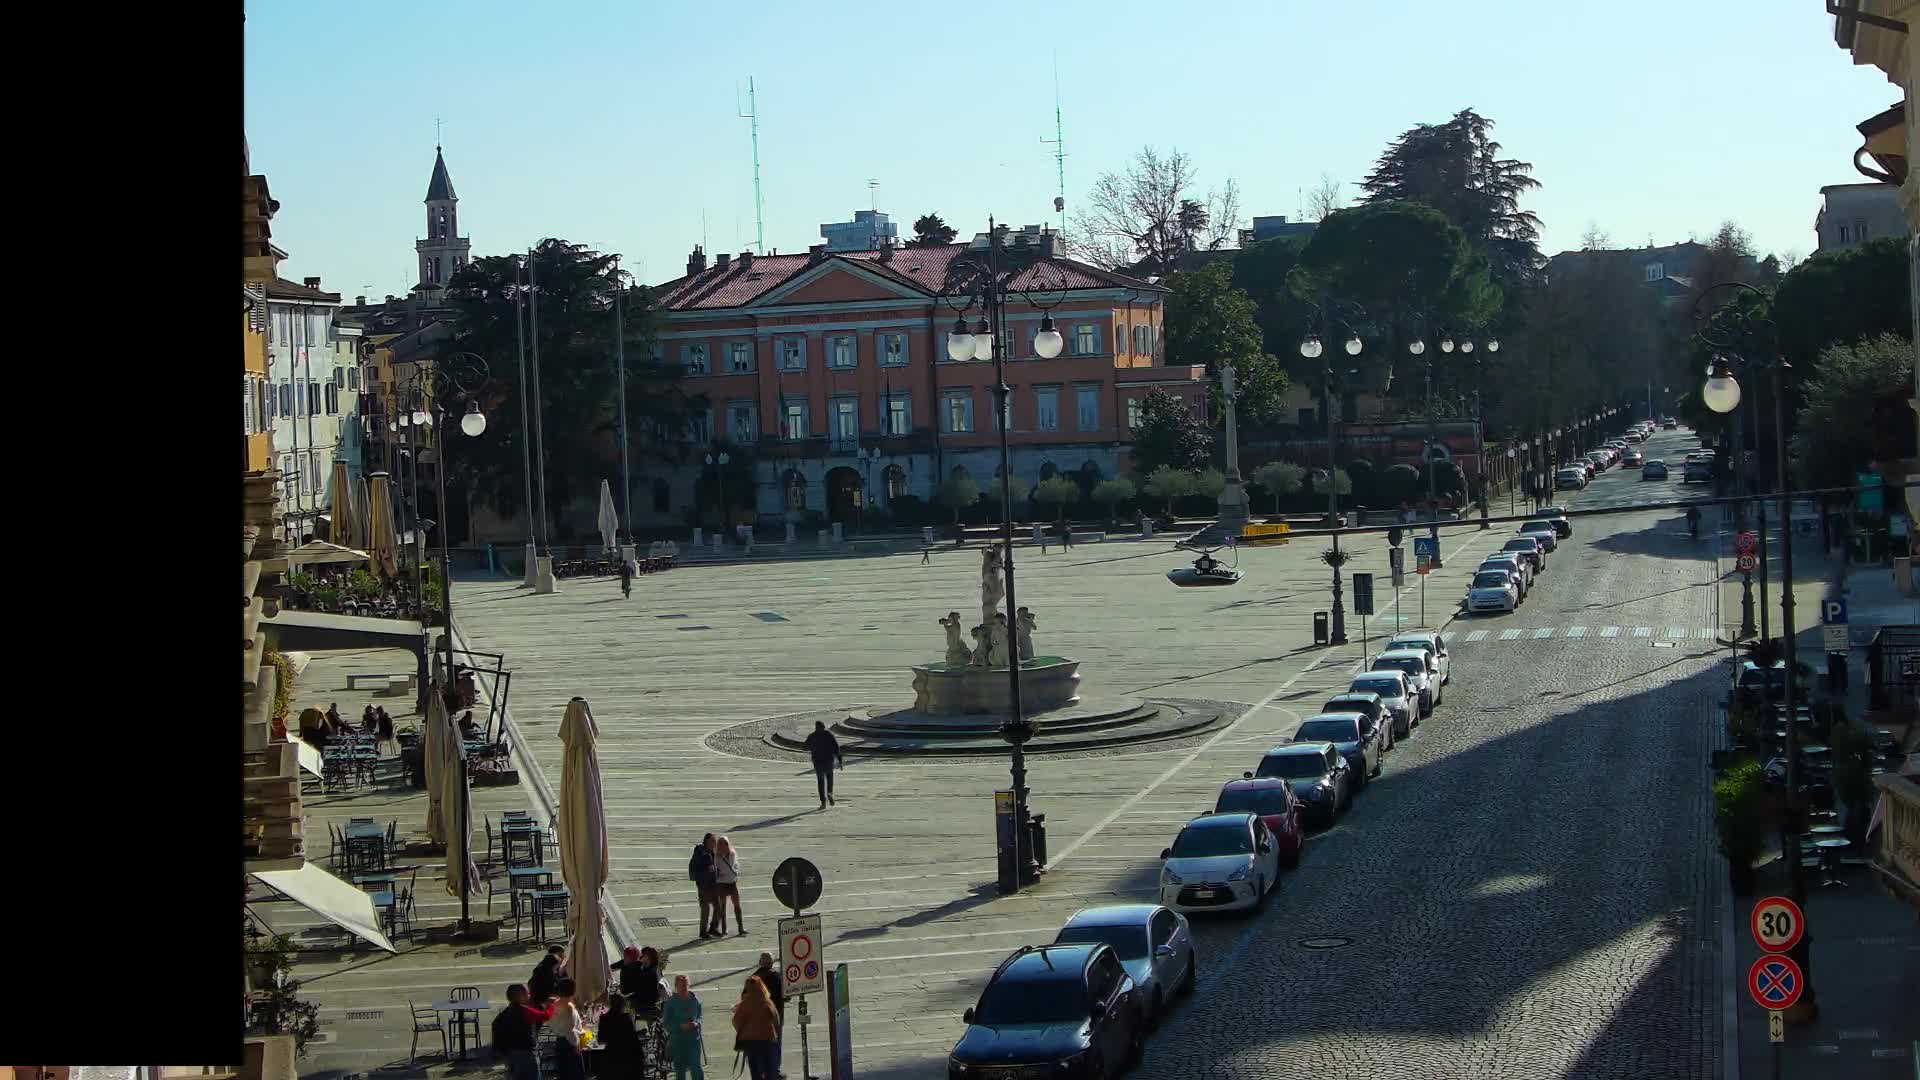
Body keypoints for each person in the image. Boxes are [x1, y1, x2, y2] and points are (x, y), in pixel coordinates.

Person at [491, 983, 555, 1080]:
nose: (529, 995)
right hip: (527, 1053)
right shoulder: (524, 1011)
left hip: (511, 1054)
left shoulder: (505, 1013)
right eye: (527, 993)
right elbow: (544, 1016)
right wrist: (551, 1005)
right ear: (519, 996)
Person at [731, 976, 781, 1080]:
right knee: (770, 1073)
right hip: (769, 1041)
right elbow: (776, 1020)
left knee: (756, 1073)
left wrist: (745, 1031)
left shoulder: (744, 1005)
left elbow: (736, 1022)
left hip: (752, 1044)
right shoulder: (768, 1003)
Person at [662, 974, 705, 1080]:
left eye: (685, 986)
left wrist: (697, 1024)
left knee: (696, 1069)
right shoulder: (671, 1003)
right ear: (676, 987)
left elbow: (700, 1017)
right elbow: (666, 1024)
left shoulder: (695, 1000)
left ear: (689, 985)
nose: (683, 989)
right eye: (681, 986)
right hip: (678, 1042)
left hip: (693, 1040)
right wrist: (680, 1027)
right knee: (680, 1071)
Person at [598, 993, 644, 1080]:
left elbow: (601, 1039)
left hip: (611, 1058)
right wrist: (641, 1056)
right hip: (628, 1058)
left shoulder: (604, 1018)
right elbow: (634, 1039)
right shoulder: (626, 1018)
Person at [753, 953, 785, 1074]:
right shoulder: (777, 977)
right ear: (772, 963)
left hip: (759, 1020)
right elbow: (785, 995)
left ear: (760, 962)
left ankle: (762, 1069)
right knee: (776, 1044)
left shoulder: (754, 978)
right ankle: (775, 1069)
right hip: (776, 1018)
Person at [613, 945, 668, 1017]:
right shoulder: (656, 969)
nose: (640, 959)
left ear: (647, 958)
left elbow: (625, 991)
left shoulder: (645, 973)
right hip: (655, 1002)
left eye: (642, 957)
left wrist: (624, 970)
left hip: (643, 1006)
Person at [549, 977, 587, 1080]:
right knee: (576, 1074)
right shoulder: (569, 1007)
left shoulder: (554, 1005)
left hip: (560, 1041)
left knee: (564, 1074)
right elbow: (570, 1030)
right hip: (570, 1043)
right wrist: (577, 1045)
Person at [803, 720, 844, 809]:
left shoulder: (812, 736)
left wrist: (812, 748)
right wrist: (840, 761)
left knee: (820, 782)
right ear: (824, 727)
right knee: (830, 778)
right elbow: (836, 748)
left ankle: (823, 802)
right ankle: (830, 793)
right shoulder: (829, 735)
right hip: (829, 761)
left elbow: (804, 747)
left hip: (818, 762)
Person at [712, 836, 744, 935]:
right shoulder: (716, 856)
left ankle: (740, 928)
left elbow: (736, 865)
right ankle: (724, 928)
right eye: (721, 844)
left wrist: (734, 872)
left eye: (725, 844)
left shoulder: (732, 853)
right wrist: (719, 872)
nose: (723, 846)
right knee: (722, 906)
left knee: (737, 905)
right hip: (721, 884)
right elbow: (715, 869)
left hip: (732, 882)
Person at [689, 833, 719, 939]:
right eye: (712, 841)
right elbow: (697, 869)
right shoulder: (700, 852)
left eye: (715, 841)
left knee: (718, 907)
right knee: (705, 909)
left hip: (714, 884)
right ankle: (703, 932)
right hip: (704, 885)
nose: (715, 843)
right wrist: (707, 870)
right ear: (706, 842)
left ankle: (713, 928)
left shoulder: (712, 852)